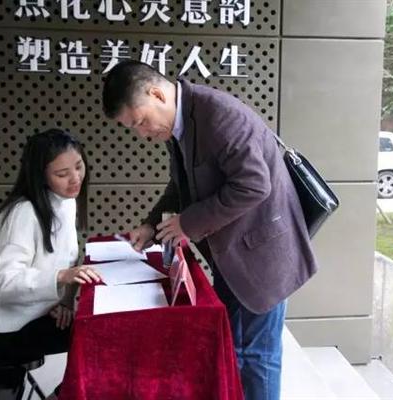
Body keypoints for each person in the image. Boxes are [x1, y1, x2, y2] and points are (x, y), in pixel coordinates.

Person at [102, 61, 319, 400]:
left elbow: (253, 185)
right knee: (233, 350)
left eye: (141, 122)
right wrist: (151, 225)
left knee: (257, 357)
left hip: (262, 255)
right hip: (232, 256)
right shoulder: (179, 124)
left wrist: (187, 224)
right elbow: (181, 185)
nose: (143, 134)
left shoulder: (219, 115)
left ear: (157, 94)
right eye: (134, 129)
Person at [0, 129, 101, 372]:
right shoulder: (23, 213)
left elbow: (69, 261)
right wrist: (61, 277)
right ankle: (66, 392)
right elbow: (5, 282)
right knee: (101, 337)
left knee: (103, 327)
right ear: (40, 176)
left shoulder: (64, 200)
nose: (75, 178)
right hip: (8, 331)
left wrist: (66, 302)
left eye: (79, 166)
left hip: (39, 312)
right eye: (62, 174)